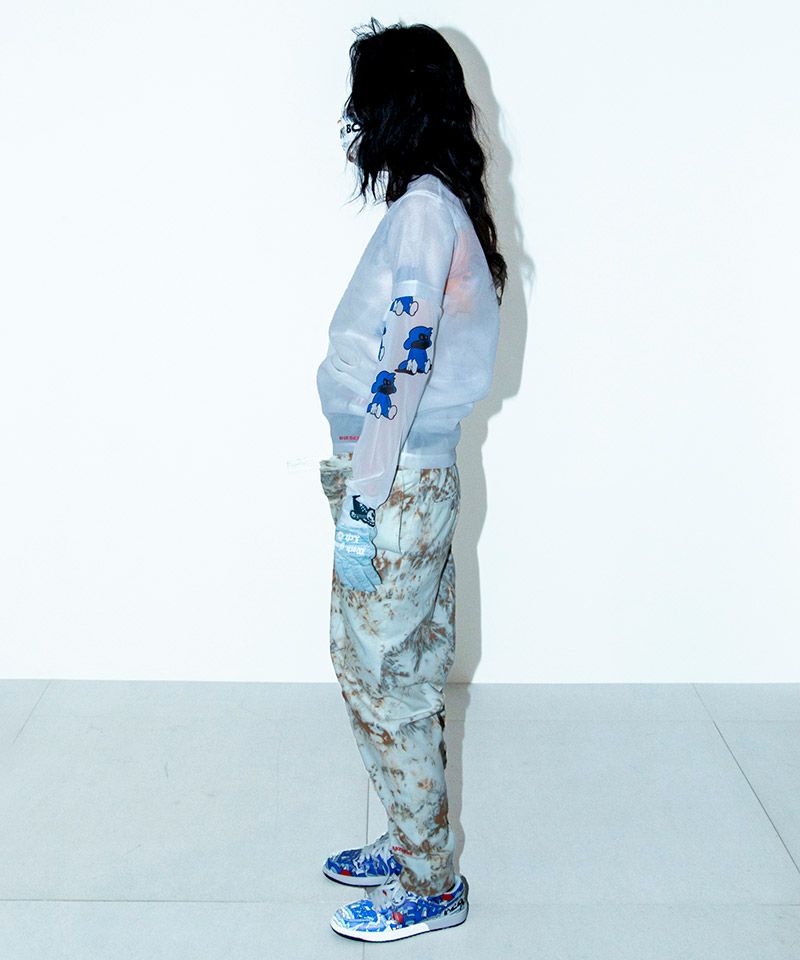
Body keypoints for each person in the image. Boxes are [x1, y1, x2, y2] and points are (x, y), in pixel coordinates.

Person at [316, 17, 507, 943]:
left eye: (366, 102)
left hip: (391, 486)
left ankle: (429, 883)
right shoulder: (441, 205)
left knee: (376, 673)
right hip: (414, 481)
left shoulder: (427, 213)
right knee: (414, 669)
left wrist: (363, 494)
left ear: (399, 105)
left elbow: (403, 362)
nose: (356, 121)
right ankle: (414, 841)